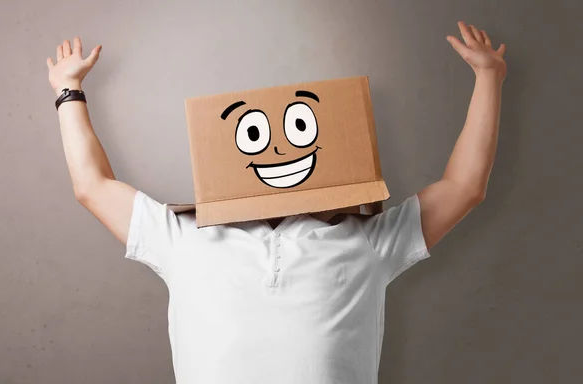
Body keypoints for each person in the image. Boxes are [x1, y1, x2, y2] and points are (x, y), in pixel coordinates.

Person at [46, 21, 506, 384]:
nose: (280, 153)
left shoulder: (368, 240)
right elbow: (93, 186)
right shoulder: (182, 236)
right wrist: (69, 92)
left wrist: (489, 77)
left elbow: (464, 187)